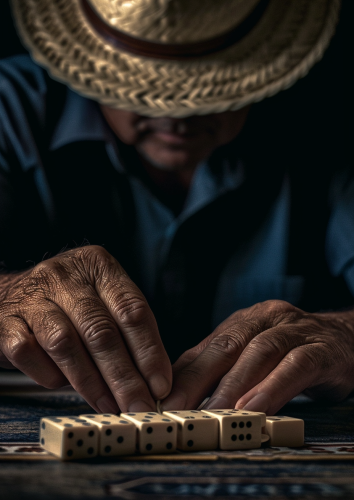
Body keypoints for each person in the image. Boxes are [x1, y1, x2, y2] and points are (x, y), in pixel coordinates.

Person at [0, 0, 353, 416]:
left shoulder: (335, 119)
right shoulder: (11, 108)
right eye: (145, 85)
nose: (177, 115)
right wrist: (7, 297)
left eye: (211, 83)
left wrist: (344, 333)